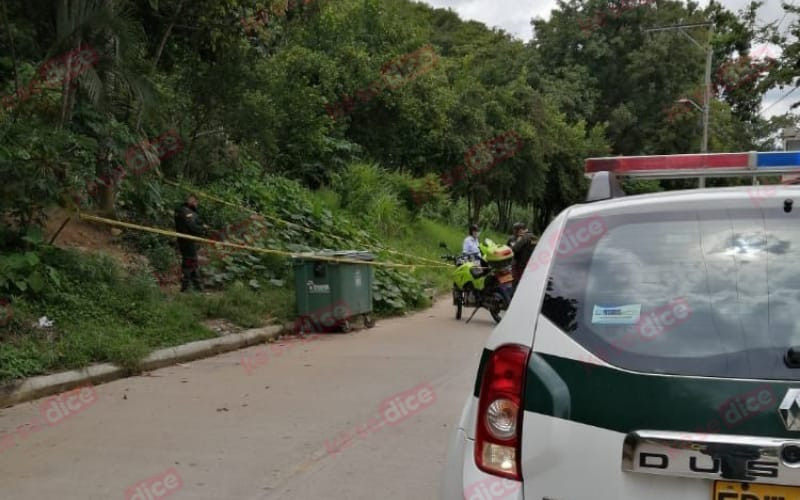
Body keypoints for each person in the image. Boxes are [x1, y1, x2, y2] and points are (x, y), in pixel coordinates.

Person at [174, 195, 206, 292]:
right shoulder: (186, 211)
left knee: (193, 263)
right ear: (192, 201)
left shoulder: (186, 211)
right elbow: (192, 226)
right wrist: (202, 229)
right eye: (196, 202)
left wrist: (201, 225)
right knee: (189, 263)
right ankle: (185, 288)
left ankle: (197, 288)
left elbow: (196, 222)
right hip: (187, 241)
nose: (197, 205)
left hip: (187, 241)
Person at [511, 222, 536, 290]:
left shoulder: (524, 237)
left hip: (520, 264)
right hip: (531, 264)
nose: (514, 233)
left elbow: (515, 249)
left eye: (515, 231)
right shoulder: (534, 237)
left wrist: (518, 240)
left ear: (520, 230)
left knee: (516, 282)